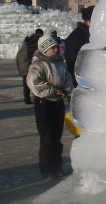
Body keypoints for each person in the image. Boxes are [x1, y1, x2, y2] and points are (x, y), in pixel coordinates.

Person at [27, 34, 73, 179]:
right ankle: (47, 168)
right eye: (52, 47)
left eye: (56, 47)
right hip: (44, 103)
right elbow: (35, 83)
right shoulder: (38, 64)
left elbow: (67, 77)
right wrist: (53, 90)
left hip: (57, 102)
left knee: (56, 136)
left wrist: (67, 90)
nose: (55, 49)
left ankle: (57, 166)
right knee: (47, 137)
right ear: (45, 49)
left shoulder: (59, 62)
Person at [65, 5, 94, 86]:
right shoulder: (78, 36)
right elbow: (73, 62)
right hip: (82, 83)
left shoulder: (87, 35)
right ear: (89, 20)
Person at [16, 29, 43, 104]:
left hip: (23, 70)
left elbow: (17, 60)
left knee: (26, 85)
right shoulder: (30, 47)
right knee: (34, 83)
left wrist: (19, 70)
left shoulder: (21, 49)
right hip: (29, 69)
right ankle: (36, 98)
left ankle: (27, 99)